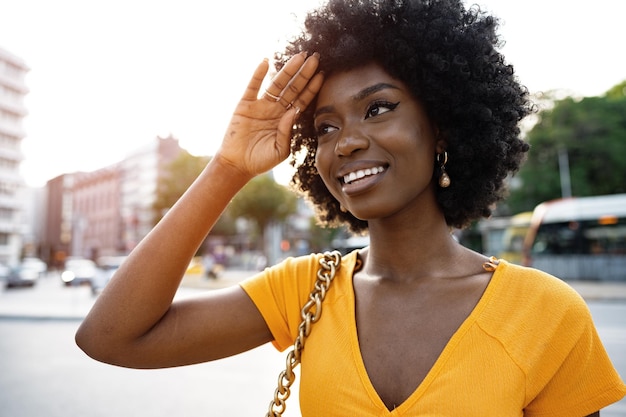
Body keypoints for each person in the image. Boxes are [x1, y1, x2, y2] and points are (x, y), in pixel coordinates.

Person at [75, 0, 626, 415]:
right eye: (325, 127)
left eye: (378, 108)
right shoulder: (302, 290)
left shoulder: (545, 312)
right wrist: (228, 169)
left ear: (442, 127)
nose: (346, 142)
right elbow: (112, 338)